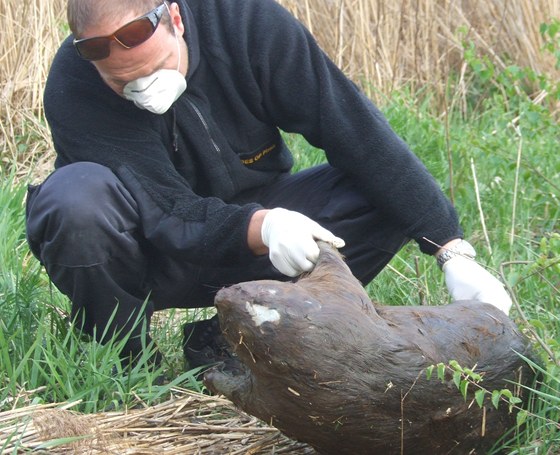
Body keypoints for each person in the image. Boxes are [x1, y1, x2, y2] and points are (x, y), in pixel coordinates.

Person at [26, 0, 512, 370]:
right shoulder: (77, 83)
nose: (143, 89)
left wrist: (450, 248)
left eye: (153, 70)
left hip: (254, 236)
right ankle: (122, 359)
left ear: (175, 18)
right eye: (123, 83)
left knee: (375, 194)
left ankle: (232, 340)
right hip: (148, 250)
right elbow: (168, 210)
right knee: (75, 201)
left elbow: (352, 130)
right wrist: (264, 226)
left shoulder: (246, 24)